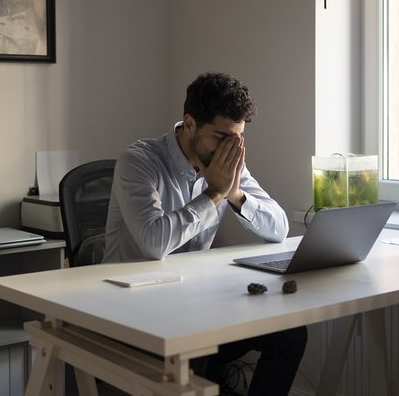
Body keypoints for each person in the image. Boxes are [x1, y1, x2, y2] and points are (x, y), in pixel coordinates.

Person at [103, 72, 307, 395]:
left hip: (193, 308)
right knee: (190, 354)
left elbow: (279, 227)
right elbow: (154, 243)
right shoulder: (138, 161)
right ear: (190, 123)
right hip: (132, 314)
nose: (231, 148)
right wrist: (213, 194)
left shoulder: (225, 166)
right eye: (222, 136)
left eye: (237, 138)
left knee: (290, 334)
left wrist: (236, 195)